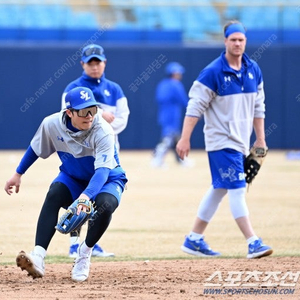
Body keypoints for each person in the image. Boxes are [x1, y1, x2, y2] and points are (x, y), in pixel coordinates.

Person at [4, 87, 128, 282]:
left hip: (107, 178)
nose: (89, 116)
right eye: (83, 111)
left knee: (106, 205)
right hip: (73, 176)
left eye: (93, 110)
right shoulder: (51, 124)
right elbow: (35, 148)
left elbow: (102, 172)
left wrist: (85, 197)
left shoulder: (103, 129)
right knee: (54, 193)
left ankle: (84, 254)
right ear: (69, 112)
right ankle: (38, 256)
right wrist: (17, 174)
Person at [176, 21, 273, 259]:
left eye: (241, 39)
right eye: (233, 39)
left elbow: (259, 107)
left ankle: (194, 239)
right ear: (225, 41)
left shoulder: (253, 70)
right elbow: (195, 106)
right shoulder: (213, 72)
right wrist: (184, 138)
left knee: (220, 188)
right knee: (237, 189)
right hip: (221, 141)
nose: (237, 43)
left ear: (245, 42)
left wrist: (260, 138)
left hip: (241, 141)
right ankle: (253, 241)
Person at [62, 44, 130, 258]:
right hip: (80, 150)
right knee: (79, 192)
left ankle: (91, 243)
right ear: (82, 63)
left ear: (104, 63)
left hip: (107, 150)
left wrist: (101, 129)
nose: (94, 66)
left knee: (100, 196)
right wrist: (100, 115)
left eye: (97, 61)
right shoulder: (73, 87)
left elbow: (122, 118)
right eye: (90, 62)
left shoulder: (115, 89)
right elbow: (65, 116)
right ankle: (74, 243)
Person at [151, 62, 189, 168]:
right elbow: (183, 100)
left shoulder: (162, 84)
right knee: (167, 138)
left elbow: (158, 99)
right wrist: (194, 111)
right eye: (179, 73)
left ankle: (181, 160)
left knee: (175, 138)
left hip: (164, 114)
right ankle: (157, 159)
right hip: (172, 115)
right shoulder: (176, 84)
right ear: (174, 73)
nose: (180, 75)